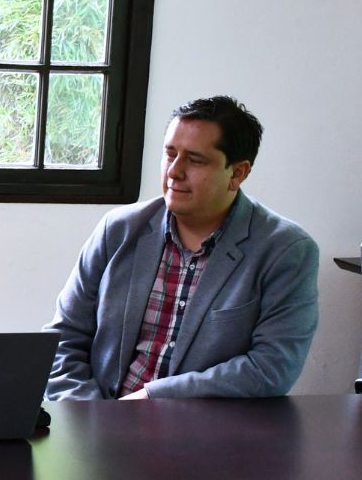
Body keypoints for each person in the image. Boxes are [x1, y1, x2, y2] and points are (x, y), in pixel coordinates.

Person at [46, 95, 318, 400]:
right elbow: (63, 340)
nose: (174, 171)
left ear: (238, 173)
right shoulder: (119, 229)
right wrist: (90, 415)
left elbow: (272, 368)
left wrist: (152, 397)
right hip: (97, 420)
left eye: (195, 160)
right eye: (170, 154)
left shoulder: (285, 250)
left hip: (203, 433)